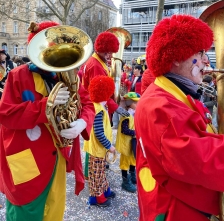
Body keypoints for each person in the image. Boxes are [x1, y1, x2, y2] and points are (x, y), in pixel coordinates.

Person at [134, 14, 224, 221]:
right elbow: (206, 161)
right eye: (200, 53)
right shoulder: (161, 106)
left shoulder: (171, 95)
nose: (205, 60)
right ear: (175, 56)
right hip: (179, 211)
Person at [0, 21, 95, 221]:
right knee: (25, 214)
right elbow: (5, 114)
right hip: (27, 159)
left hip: (57, 159)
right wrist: (45, 107)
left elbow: (87, 104)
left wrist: (82, 123)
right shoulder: (18, 76)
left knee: (54, 211)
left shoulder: (69, 76)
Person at [80, 31, 130, 178]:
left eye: (111, 52)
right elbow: (99, 93)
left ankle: (95, 170)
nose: (110, 55)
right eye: (107, 52)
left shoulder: (99, 61)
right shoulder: (95, 65)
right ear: (100, 48)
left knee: (97, 139)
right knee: (95, 140)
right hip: (96, 106)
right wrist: (117, 108)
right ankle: (91, 174)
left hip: (99, 105)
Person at [83, 75, 116, 207]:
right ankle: (97, 198)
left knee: (100, 172)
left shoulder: (98, 106)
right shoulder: (99, 110)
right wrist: (109, 146)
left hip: (98, 149)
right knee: (96, 174)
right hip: (98, 149)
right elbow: (98, 132)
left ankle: (105, 190)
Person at [116, 92, 140, 193]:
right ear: (130, 103)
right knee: (125, 163)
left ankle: (132, 175)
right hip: (126, 144)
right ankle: (125, 180)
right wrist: (136, 133)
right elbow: (124, 130)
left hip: (132, 143)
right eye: (136, 103)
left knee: (133, 160)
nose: (138, 105)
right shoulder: (127, 115)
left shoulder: (134, 114)